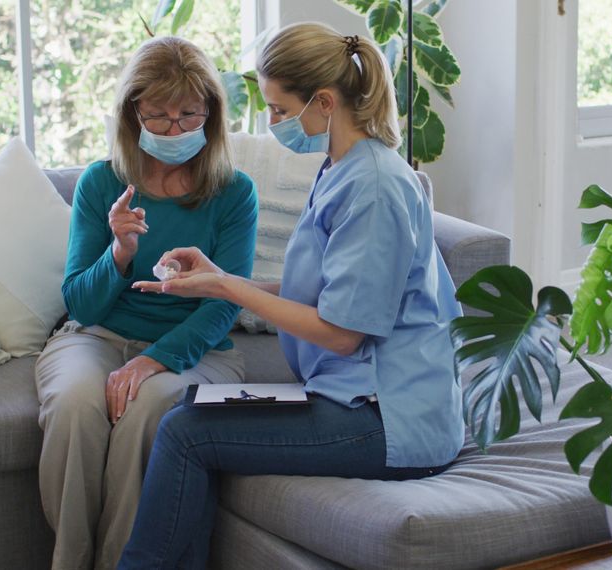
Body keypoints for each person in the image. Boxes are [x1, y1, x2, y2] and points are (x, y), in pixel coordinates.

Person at [118, 22, 464, 569]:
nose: (273, 123)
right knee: (190, 414)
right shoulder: (340, 168)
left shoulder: (374, 187)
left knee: (186, 434)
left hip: (389, 420)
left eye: (280, 110)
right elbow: (325, 292)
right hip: (354, 398)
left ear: (324, 102)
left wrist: (228, 287)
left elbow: (343, 333)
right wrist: (219, 275)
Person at [33, 36, 257, 570]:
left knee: (147, 410)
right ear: (133, 114)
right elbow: (80, 305)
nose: (175, 130)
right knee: (75, 406)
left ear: (212, 113)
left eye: (188, 115)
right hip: (97, 335)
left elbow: (225, 302)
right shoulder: (101, 181)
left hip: (195, 349)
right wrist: (120, 251)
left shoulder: (234, 192)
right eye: (158, 116)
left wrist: (152, 359)